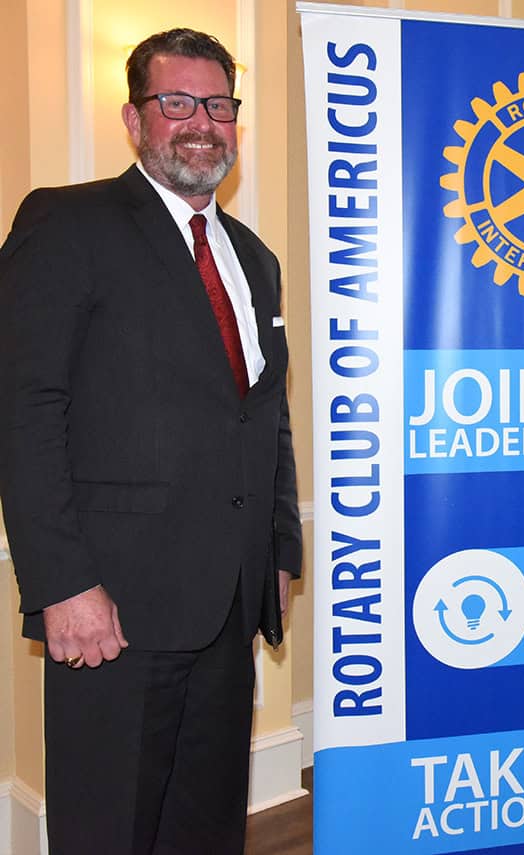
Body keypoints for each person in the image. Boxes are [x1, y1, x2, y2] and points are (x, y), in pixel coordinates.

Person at [0, 28, 301, 855]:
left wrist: (278, 549)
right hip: (113, 610)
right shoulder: (67, 223)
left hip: (229, 604)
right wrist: (63, 584)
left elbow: (266, 415)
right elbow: (24, 411)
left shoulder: (255, 258)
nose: (201, 122)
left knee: (204, 827)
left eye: (218, 104)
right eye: (177, 103)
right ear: (134, 120)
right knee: (111, 830)